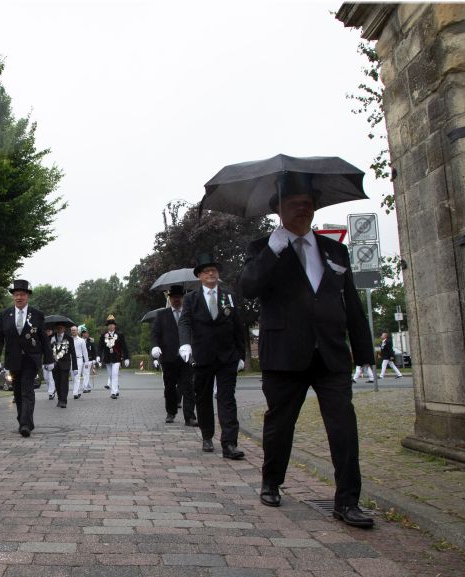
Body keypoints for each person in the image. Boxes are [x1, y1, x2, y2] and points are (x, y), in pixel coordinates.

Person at [238, 172, 375, 528]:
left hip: (330, 352)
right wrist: (273, 248)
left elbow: (351, 303)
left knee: (344, 427)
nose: (303, 209)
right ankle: (271, 481)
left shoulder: (334, 250)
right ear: (279, 209)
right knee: (280, 425)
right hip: (285, 353)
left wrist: (364, 355)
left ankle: (347, 501)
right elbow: (248, 287)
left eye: (308, 203)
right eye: (295, 204)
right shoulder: (262, 248)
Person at [178, 256, 246, 459]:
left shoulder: (228, 296)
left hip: (227, 356)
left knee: (227, 399)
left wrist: (241, 354)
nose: (211, 273)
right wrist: (185, 343)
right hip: (202, 356)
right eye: (207, 271)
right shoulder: (191, 298)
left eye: (214, 270)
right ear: (199, 275)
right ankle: (207, 436)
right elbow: (185, 322)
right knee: (203, 398)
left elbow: (237, 325)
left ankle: (229, 443)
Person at [0, 280, 53, 437]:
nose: (19, 297)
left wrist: (49, 359)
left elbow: (43, 338)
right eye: (16, 294)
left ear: (27, 296)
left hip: (31, 359)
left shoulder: (37, 315)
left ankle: (26, 424)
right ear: (13, 296)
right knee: (17, 392)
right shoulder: (5, 315)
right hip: (13, 359)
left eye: (22, 294)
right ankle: (22, 420)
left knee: (27, 390)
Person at [151, 284, 197, 426]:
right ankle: (171, 412)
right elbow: (155, 334)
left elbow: (195, 332)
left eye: (179, 297)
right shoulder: (162, 315)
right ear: (170, 299)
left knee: (188, 386)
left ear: (183, 298)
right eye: (174, 297)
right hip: (168, 356)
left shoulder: (189, 314)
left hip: (186, 357)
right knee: (169, 387)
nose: (176, 300)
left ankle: (190, 416)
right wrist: (155, 346)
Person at [97, 315, 129, 399]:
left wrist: (126, 358)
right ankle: (116, 390)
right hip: (107, 358)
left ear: (114, 325)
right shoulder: (103, 335)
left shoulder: (120, 335)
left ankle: (113, 392)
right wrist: (98, 356)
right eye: (109, 325)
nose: (111, 326)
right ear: (107, 326)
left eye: (112, 324)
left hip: (116, 358)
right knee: (111, 375)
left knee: (115, 374)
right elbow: (100, 347)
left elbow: (124, 347)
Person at [50, 323, 77, 408]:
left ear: (64, 328)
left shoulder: (69, 338)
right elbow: (47, 350)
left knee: (64, 382)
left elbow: (73, 353)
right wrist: (46, 363)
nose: (60, 329)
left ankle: (63, 401)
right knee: (57, 383)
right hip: (55, 364)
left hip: (65, 364)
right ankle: (59, 399)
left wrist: (75, 367)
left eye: (61, 328)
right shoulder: (51, 337)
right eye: (58, 328)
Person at [70, 325, 89, 399]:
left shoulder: (81, 340)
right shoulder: (69, 340)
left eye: (75, 330)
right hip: (71, 360)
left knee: (77, 376)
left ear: (77, 331)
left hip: (79, 359)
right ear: (71, 331)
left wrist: (86, 362)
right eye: (72, 330)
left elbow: (85, 352)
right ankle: (77, 391)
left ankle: (75, 393)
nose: (73, 331)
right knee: (73, 377)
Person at [79, 326, 96, 393]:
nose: (86, 334)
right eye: (85, 333)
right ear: (82, 334)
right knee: (85, 373)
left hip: (89, 360)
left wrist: (94, 359)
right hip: (81, 359)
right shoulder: (80, 340)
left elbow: (94, 351)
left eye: (87, 333)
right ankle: (88, 387)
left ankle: (85, 387)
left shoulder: (90, 341)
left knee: (86, 373)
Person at [42, 326, 56, 401]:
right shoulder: (43, 339)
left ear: (52, 331)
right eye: (46, 331)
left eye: (49, 331)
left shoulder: (53, 339)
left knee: (51, 378)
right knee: (46, 378)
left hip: (52, 361)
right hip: (44, 361)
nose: (48, 332)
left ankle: (51, 392)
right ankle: (52, 389)